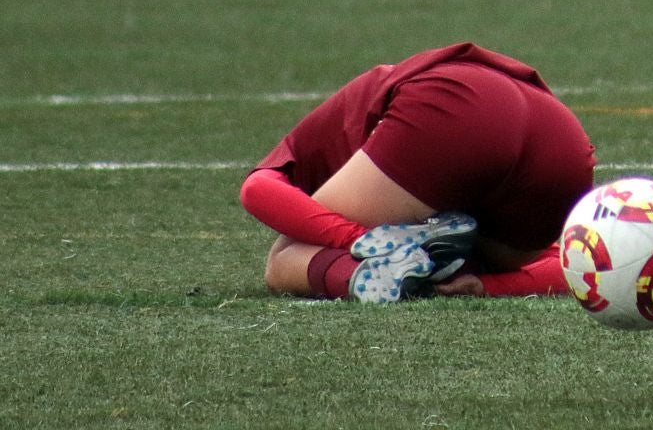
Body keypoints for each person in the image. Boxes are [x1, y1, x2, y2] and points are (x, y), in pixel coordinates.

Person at [239, 42, 596, 303]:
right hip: (563, 142)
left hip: (456, 104)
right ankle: (448, 265)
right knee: (540, 258)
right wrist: (486, 287)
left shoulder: (330, 132)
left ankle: (389, 260)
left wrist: (359, 240)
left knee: (284, 259)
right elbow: (580, 268)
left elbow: (256, 189)